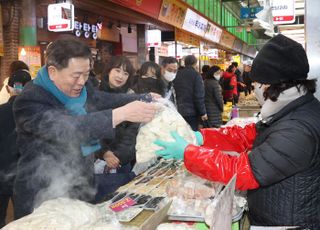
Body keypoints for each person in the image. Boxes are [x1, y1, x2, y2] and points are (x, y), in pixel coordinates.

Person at [154, 34, 320, 229]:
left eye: (259, 83)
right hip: (278, 213)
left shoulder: (298, 128)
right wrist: (201, 137)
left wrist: (188, 153)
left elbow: (242, 172)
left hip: (288, 223)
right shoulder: (292, 110)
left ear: (274, 84)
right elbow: (247, 136)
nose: (256, 88)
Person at [12, 38, 158, 219]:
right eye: (76, 75)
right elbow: (67, 129)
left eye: (86, 74)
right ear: (52, 71)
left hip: (81, 184)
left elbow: (100, 100)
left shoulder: (82, 88)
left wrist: (142, 98)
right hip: (43, 191)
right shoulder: (29, 101)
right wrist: (119, 114)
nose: (82, 81)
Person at [96, 56, 140, 201]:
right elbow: (90, 129)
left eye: (126, 73)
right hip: (97, 162)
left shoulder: (131, 97)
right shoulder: (94, 95)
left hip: (122, 162)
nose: (120, 76)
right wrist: (104, 153)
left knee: (122, 203)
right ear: (108, 71)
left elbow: (132, 132)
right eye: (117, 70)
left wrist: (119, 156)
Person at [0, 70, 31, 227]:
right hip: (25, 177)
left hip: (1, 175)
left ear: (8, 89)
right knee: (24, 221)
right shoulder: (34, 114)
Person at [173, 55, 207, 131]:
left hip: (178, 110)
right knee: (191, 134)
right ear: (195, 63)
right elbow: (199, 96)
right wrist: (203, 112)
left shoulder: (177, 74)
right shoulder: (196, 75)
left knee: (181, 133)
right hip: (191, 112)